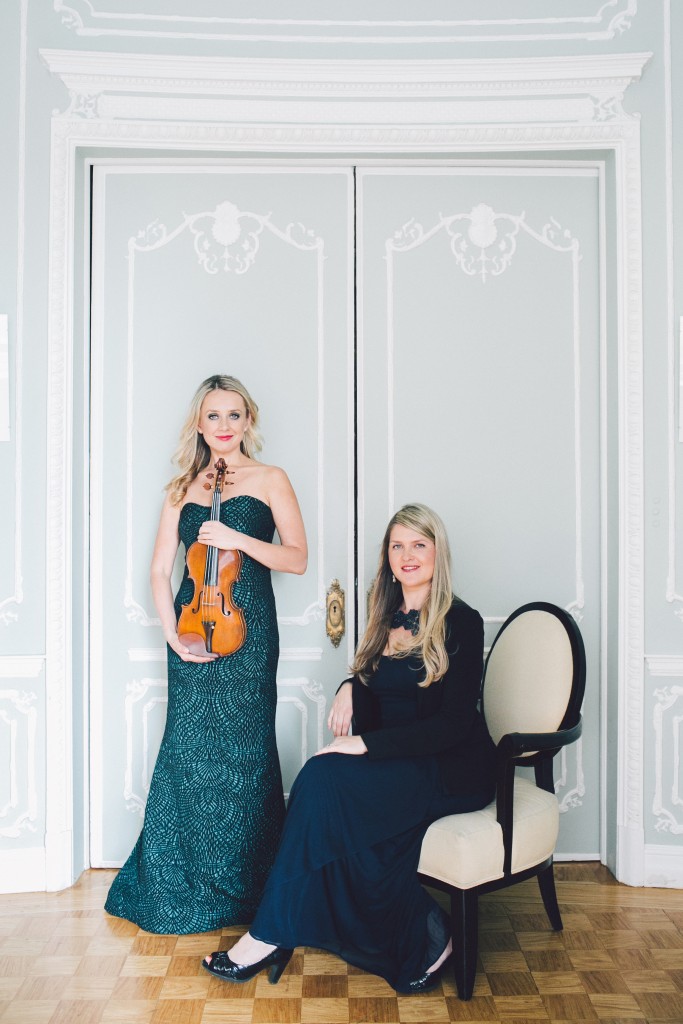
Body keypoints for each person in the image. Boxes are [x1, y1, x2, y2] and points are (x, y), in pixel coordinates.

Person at [201, 502, 496, 992]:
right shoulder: (385, 614)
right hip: (401, 760)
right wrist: (350, 685)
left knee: (326, 783)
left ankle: (270, 934)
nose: (407, 555)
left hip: (451, 766)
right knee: (320, 778)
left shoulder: (461, 620)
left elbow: (451, 725)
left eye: (419, 545)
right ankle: (275, 932)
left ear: (438, 552)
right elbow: (379, 686)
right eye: (397, 545)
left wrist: (365, 744)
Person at [105, 374, 307, 934]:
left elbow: (296, 558)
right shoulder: (181, 488)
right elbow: (158, 567)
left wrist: (238, 539)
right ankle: (178, 883)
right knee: (188, 755)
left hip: (249, 633)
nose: (223, 426)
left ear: (249, 421)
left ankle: (251, 887)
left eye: (234, 415)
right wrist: (171, 633)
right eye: (213, 416)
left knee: (246, 757)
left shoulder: (270, 479)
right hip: (194, 627)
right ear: (199, 423)